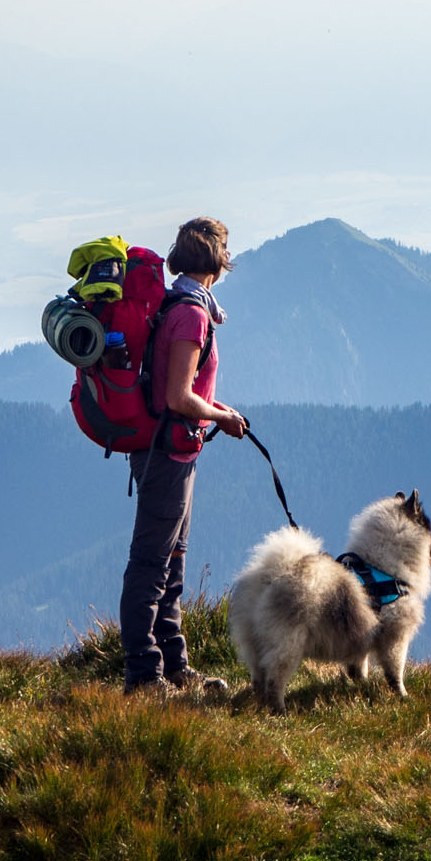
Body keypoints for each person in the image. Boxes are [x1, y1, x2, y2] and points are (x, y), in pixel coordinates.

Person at [120, 217, 249, 695]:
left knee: (172, 559)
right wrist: (221, 418)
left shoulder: (180, 302)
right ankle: (143, 675)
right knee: (152, 562)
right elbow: (177, 395)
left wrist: (215, 409)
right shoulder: (192, 314)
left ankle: (174, 666)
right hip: (168, 452)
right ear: (217, 260)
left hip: (172, 448)